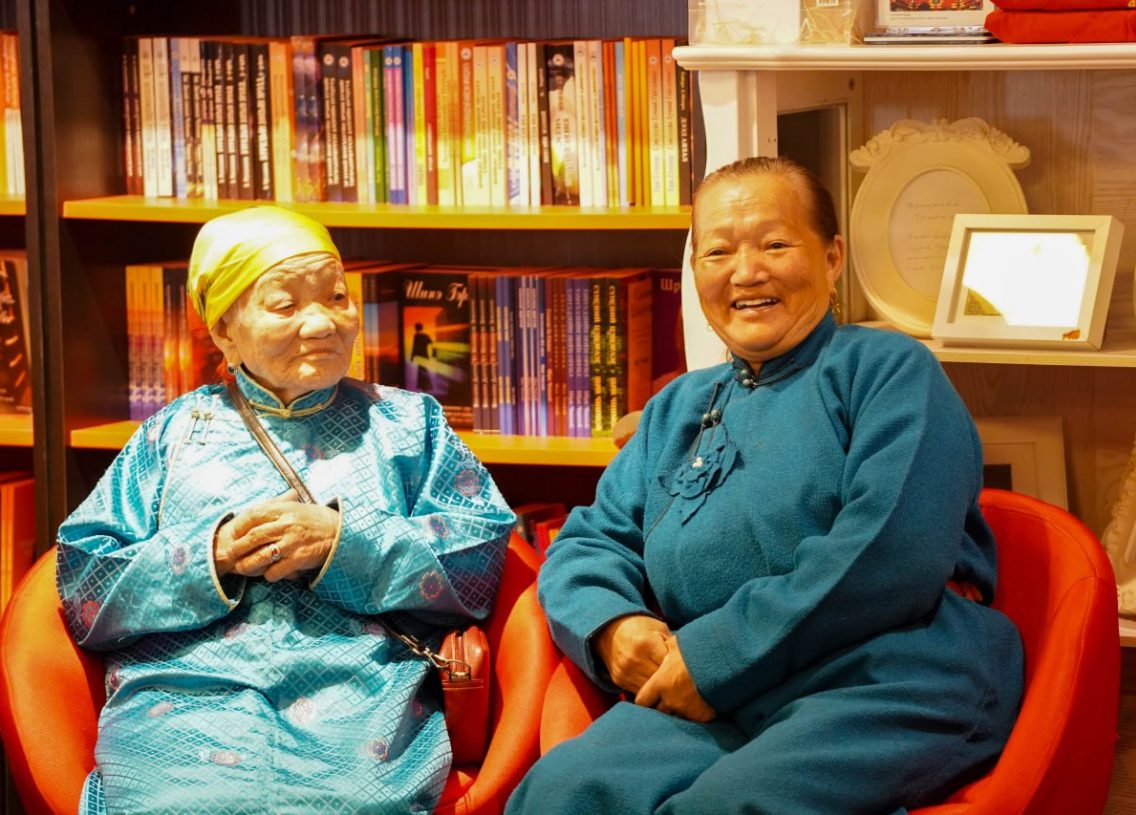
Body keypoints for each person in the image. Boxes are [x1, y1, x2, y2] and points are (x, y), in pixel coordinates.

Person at [506, 156, 1023, 815]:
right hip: (716, 694)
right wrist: (612, 625)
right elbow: (588, 541)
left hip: (884, 677)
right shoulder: (676, 407)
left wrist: (717, 655)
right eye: (717, 250)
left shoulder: (889, 370)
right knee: (560, 793)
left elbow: (890, 552)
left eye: (775, 244)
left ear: (832, 257)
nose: (745, 272)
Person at [56, 206, 515, 814]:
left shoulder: (409, 424)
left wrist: (340, 542)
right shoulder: (171, 435)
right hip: (184, 701)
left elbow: (481, 557)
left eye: (336, 297)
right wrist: (209, 554)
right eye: (285, 305)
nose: (323, 322)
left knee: (352, 801)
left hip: (360, 699)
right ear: (224, 329)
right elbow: (82, 582)